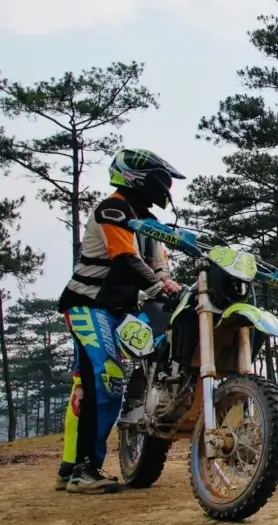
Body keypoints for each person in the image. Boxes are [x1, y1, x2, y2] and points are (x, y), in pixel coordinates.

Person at [55, 148, 185, 494]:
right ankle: (83, 470)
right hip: (88, 305)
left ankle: (83, 463)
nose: (166, 189)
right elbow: (125, 258)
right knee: (106, 379)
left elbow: (160, 264)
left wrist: (171, 282)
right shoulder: (114, 209)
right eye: (162, 181)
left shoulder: (147, 222)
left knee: (162, 347)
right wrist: (159, 284)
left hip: (121, 310)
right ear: (138, 178)